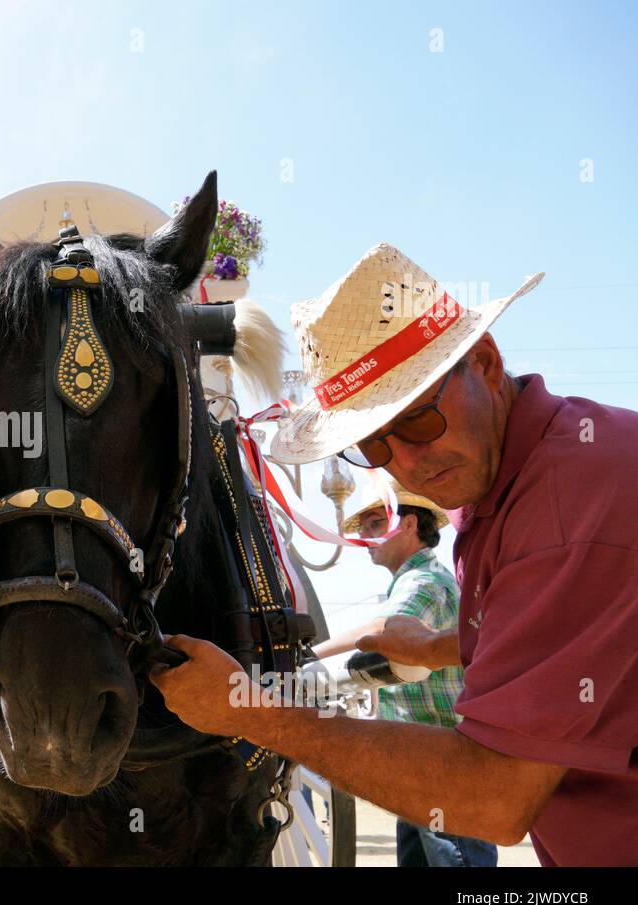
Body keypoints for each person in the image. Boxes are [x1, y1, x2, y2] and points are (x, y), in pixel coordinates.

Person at [151, 243, 638, 866]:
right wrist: (440, 648)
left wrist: (251, 713)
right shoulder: (508, 487)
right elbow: (568, 638)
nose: (406, 464)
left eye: (418, 421)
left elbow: (494, 799)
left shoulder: (569, 509)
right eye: (373, 447)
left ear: (484, 363)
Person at [316, 480, 498, 866]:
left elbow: (386, 631)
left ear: (409, 524)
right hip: (425, 760)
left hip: (446, 765)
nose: (365, 537)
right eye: (364, 527)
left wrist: (309, 658)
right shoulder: (416, 581)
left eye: (374, 524)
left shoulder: (425, 582)